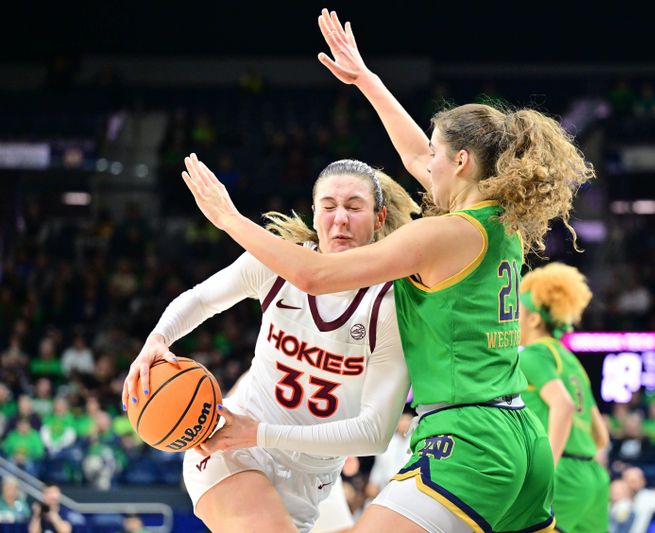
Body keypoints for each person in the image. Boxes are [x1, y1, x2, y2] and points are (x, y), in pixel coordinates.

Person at [179, 8, 594, 531]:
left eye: (436, 152)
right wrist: (368, 82)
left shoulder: (440, 233)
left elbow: (315, 276)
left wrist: (230, 219)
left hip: (468, 439)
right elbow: (416, 154)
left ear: (461, 162)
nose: (426, 161)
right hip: (520, 436)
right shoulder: (500, 219)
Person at [123, 160, 417, 533]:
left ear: (379, 219)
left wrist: (259, 432)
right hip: (232, 445)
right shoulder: (277, 261)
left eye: (354, 207)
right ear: (314, 215)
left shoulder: (392, 305)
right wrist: (157, 339)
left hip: (310, 476)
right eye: (328, 206)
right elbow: (201, 299)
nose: (339, 218)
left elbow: (375, 433)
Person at [517, 263, 610, 533]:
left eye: (519, 311)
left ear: (533, 319)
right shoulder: (571, 362)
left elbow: (563, 405)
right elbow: (601, 436)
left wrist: (548, 469)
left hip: (563, 473)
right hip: (593, 476)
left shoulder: (531, 355)